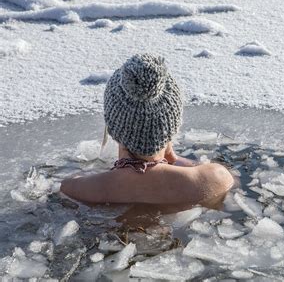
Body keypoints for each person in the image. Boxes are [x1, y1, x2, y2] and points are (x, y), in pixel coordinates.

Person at [60, 54, 234, 209]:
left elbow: (70, 183)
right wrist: (174, 158)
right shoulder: (214, 179)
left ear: (112, 125)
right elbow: (218, 176)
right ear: (172, 123)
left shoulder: (78, 188)